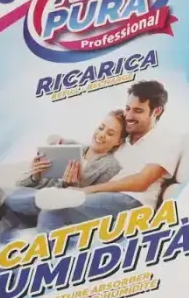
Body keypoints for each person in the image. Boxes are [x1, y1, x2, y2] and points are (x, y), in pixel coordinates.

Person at [36, 80, 180, 233]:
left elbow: (141, 181)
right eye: (127, 108)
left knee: (55, 209)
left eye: (138, 111)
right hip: (105, 197)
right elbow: (92, 147)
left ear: (156, 111)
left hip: (133, 201)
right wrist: (62, 143)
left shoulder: (165, 140)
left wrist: (86, 191)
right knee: (32, 203)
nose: (129, 116)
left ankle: (47, 248)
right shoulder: (124, 137)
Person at [0, 110, 126, 227]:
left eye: (110, 133)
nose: (101, 134)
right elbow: (23, 186)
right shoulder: (71, 147)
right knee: (14, 197)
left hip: (59, 207)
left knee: (17, 198)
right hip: (33, 199)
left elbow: (91, 203)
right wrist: (35, 176)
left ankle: (0, 202)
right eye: (101, 128)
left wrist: (71, 186)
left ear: (118, 141)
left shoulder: (111, 167)